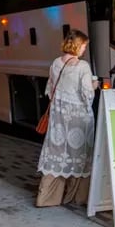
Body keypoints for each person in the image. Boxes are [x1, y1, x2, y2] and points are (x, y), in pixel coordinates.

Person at [36, 29, 98, 207]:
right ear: (78, 45)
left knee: (57, 154)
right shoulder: (82, 66)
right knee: (80, 155)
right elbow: (86, 94)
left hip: (59, 119)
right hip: (79, 120)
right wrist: (94, 85)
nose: (84, 49)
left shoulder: (56, 63)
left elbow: (50, 90)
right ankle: (76, 197)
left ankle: (47, 198)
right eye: (84, 45)